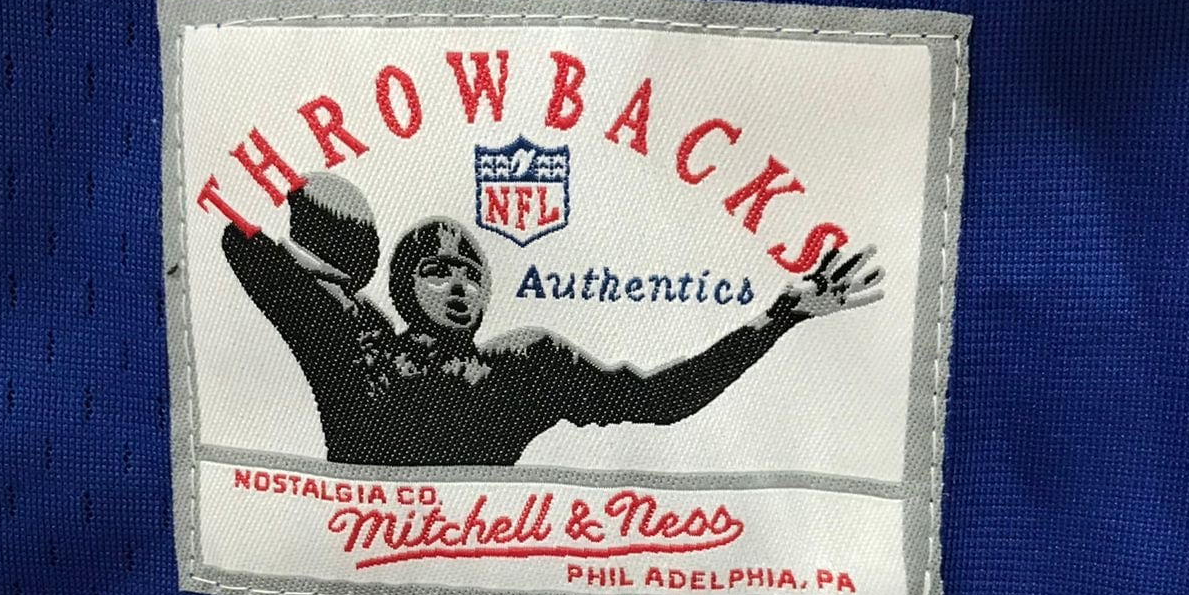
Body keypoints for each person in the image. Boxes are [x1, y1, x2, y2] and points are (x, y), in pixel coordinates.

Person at [221, 174, 885, 466]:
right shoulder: (358, 347)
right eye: (437, 269)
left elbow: (663, 400)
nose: (459, 284)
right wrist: (324, 246)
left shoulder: (525, 367)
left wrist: (779, 318)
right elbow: (243, 242)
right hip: (361, 577)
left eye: (472, 272)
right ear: (402, 286)